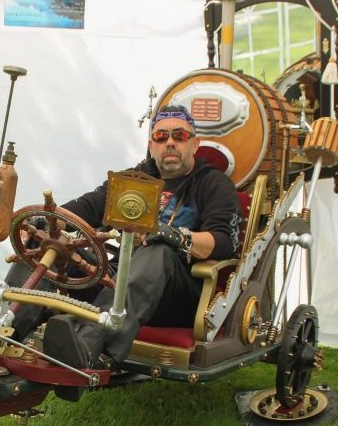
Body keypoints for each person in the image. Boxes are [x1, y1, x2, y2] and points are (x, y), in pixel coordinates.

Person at [14, 104, 242, 370]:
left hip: (178, 294)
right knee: (47, 241)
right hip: (120, 282)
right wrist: (42, 222)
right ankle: (2, 330)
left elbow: (224, 243)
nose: (170, 143)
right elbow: (88, 207)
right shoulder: (136, 179)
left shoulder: (214, 184)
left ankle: (88, 346)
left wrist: (170, 234)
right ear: (151, 144)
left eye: (179, 136)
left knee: (159, 250)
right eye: (161, 136)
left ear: (195, 144)